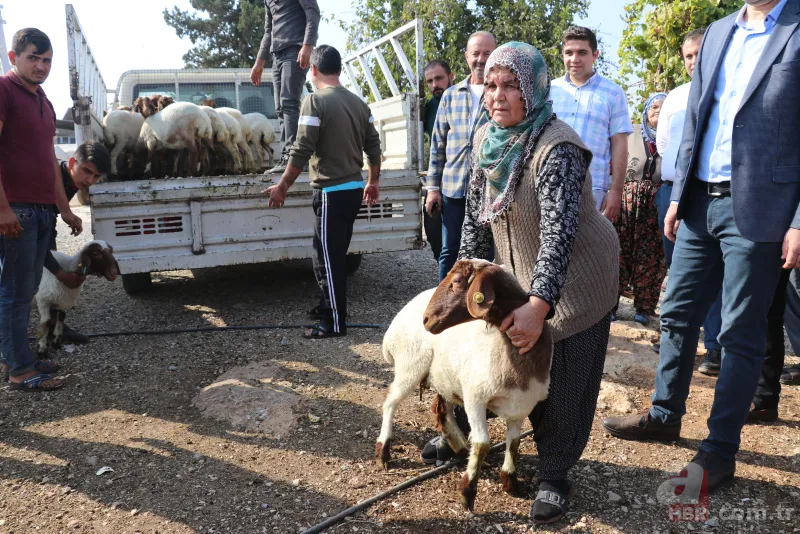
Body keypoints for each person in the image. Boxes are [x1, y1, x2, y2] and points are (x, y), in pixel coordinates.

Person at [603, 0, 800, 493]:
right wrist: (677, 194)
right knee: (676, 312)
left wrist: (799, 220)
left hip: (762, 209)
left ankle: (719, 449)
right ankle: (664, 414)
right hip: (696, 202)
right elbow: (697, 116)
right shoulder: (716, 32)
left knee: (739, 332)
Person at [427, 42, 620, 524]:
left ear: (532, 90)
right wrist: (462, 285)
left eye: (510, 86)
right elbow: (475, 225)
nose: (497, 95)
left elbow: (558, 234)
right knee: (501, 357)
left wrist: (539, 306)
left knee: (563, 380)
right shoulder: (486, 140)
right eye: (491, 85)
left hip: (579, 280)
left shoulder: (558, 147)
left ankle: (556, 474)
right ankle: (462, 432)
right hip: (523, 271)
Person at [264, 45, 381, 338]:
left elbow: (302, 148)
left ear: (313, 70)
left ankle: (334, 324)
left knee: (328, 260)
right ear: (339, 70)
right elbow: (373, 147)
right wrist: (373, 182)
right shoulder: (359, 104)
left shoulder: (314, 101)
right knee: (327, 254)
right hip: (353, 190)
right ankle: (326, 305)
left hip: (331, 192)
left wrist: (282, 187)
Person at [0, 28, 83, 391]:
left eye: (47, 60)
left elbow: (50, 162)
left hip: (40, 211)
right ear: (13, 57)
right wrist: (3, 209)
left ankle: (17, 357)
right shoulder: (4, 90)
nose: (41, 66)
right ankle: (19, 370)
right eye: (33, 57)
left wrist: (65, 209)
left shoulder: (43, 101)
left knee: (27, 289)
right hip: (16, 210)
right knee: (16, 293)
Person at [655, 27, 723, 372]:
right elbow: (664, 144)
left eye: (699, 53)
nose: (694, 61)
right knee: (679, 272)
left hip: (708, 196)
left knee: (712, 273)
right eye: (688, 56)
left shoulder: (725, 91)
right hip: (671, 193)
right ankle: (677, 343)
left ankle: (714, 347)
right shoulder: (675, 97)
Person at [425, 31, 496, 282]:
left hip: (489, 191)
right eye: (476, 53)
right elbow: (437, 146)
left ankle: (480, 302)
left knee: (486, 255)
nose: (481, 59)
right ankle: (444, 302)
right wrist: (433, 189)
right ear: (467, 56)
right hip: (452, 189)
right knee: (449, 251)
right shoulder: (451, 95)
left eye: (487, 53)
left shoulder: (500, 94)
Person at [550, 26, 632, 220]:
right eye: (569, 53)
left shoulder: (613, 93)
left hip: (593, 189)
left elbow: (619, 144)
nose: (574, 59)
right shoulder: (550, 90)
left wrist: (616, 191)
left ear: (595, 55)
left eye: (582, 52)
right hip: (550, 184)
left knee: (589, 240)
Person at [41, 141, 111, 345]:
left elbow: (49, 217)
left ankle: (56, 329)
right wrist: (59, 271)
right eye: (86, 171)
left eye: (96, 176)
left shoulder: (71, 181)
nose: (90, 180)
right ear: (72, 162)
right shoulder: (52, 176)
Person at [613, 93, 667, 325]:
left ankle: (645, 308)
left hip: (656, 206)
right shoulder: (631, 133)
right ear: (645, 111)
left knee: (652, 256)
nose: (658, 111)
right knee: (618, 252)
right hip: (626, 203)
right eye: (654, 107)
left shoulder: (674, 137)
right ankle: (609, 305)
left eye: (664, 107)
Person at [251, 0, 320, 174]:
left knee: (289, 103)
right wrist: (259, 61)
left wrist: (307, 46)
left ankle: (293, 158)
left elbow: (313, 13)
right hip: (277, 55)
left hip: (296, 50)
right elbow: (268, 31)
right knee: (280, 107)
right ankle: (286, 157)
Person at [421, 59, 454, 261]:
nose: (435, 85)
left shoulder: (462, 100)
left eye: (439, 78)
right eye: (430, 81)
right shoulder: (429, 107)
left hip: (460, 180)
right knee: (433, 232)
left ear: (451, 77)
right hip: (437, 180)